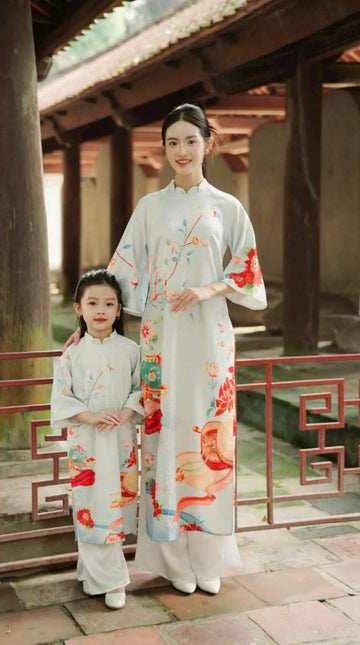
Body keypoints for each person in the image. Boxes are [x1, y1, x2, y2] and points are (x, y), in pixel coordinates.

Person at [64, 103, 267, 595]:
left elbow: (246, 269)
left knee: (207, 439)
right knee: (166, 439)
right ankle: (172, 559)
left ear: (207, 144)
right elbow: (121, 272)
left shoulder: (227, 206)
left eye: (190, 141)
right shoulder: (150, 208)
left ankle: (209, 558)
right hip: (159, 339)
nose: (181, 151)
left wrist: (209, 288)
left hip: (210, 341)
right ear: (164, 148)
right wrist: (88, 318)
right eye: (172, 142)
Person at [50, 269, 143, 610]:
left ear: (119, 310)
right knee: (90, 504)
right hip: (86, 443)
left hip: (120, 440)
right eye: (92, 303)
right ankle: (112, 580)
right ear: (78, 308)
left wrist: (127, 413)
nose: (100, 310)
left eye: (109, 303)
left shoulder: (132, 350)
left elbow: (140, 389)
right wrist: (89, 416)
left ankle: (96, 575)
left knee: (116, 504)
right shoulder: (71, 356)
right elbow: (61, 398)